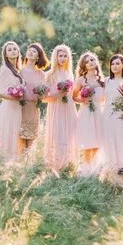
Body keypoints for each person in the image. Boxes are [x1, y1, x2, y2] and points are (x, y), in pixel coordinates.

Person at [99, 54, 123, 182]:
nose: (115, 66)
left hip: (121, 113)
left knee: (121, 140)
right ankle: (110, 169)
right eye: (112, 64)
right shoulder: (107, 81)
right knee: (109, 140)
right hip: (107, 112)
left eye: (117, 63)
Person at [44, 44, 78, 172]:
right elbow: (44, 98)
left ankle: (69, 166)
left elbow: (73, 94)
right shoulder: (50, 74)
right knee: (58, 137)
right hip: (56, 108)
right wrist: (59, 94)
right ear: (56, 57)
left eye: (65, 56)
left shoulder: (69, 74)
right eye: (60, 56)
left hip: (69, 107)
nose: (63, 59)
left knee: (70, 137)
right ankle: (56, 167)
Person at [0, 40, 25, 159]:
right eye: (9, 50)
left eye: (15, 49)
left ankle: (12, 161)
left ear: (18, 52)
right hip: (8, 108)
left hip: (17, 108)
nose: (12, 51)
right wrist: (13, 96)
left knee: (15, 135)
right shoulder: (4, 69)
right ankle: (2, 160)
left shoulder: (18, 71)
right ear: (5, 55)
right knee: (7, 134)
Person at [72, 51, 105, 175]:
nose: (90, 63)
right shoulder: (80, 80)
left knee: (97, 144)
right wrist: (83, 100)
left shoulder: (101, 80)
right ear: (83, 65)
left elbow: (103, 99)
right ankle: (85, 172)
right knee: (87, 144)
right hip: (86, 114)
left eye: (92, 60)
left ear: (96, 62)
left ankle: (95, 171)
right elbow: (73, 97)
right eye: (87, 61)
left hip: (98, 113)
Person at [20, 42, 49, 153]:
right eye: (29, 50)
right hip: (20, 108)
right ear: (26, 54)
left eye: (34, 51)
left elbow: (45, 95)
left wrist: (41, 95)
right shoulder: (19, 71)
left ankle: (29, 167)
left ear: (38, 56)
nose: (31, 52)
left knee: (30, 144)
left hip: (33, 108)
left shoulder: (41, 74)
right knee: (20, 141)